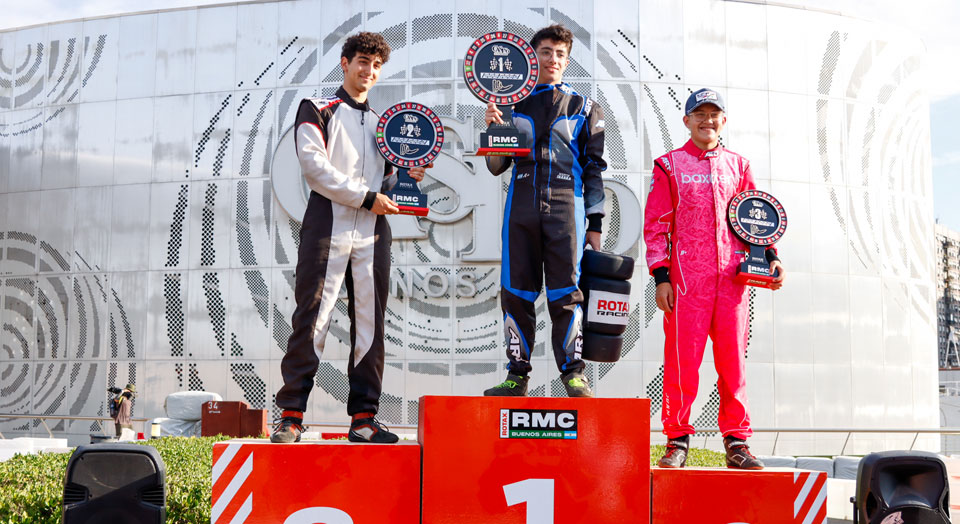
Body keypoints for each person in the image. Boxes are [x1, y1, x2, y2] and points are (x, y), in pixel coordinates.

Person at [272, 32, 430, 443]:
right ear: (345, 63)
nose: (369, 71)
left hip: (373, 235)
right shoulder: (317, 109)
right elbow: (314, 167)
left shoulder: (385, 125)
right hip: (327, 227)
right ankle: (291, 415)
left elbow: (388, 184)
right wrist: (366, 197)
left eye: (376, 65)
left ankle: (363, 419)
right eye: (362, 61)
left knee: (370, 326)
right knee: (313, 319)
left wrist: (408, 178)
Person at [643, 88, 785, 469]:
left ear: (724, 120)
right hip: (686, 283)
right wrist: (661, 277)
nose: (707, 121)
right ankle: (677, 441)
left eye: (714, 114)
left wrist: (771, 258)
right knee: (681, 365)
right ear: (687, 121)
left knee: (733, 365)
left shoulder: (739, 166)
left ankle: (737, 443)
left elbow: (756, 219)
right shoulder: (669, 165)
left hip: (732, 283)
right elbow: (656, 227)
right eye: (699, 114)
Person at [482, 24, 607, 398]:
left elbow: (595, 168)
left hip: (568, 208)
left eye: (560, 54)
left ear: (567, 61)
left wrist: (595, 223)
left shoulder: (586, 107)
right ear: (531, 57)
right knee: (515, 291)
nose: (553, 59)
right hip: (520, 207)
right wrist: (493, 130)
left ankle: (574, 375)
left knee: (567, 292)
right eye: (546, 51)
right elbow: (495, 167)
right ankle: (516, 377)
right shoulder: (510, 107)